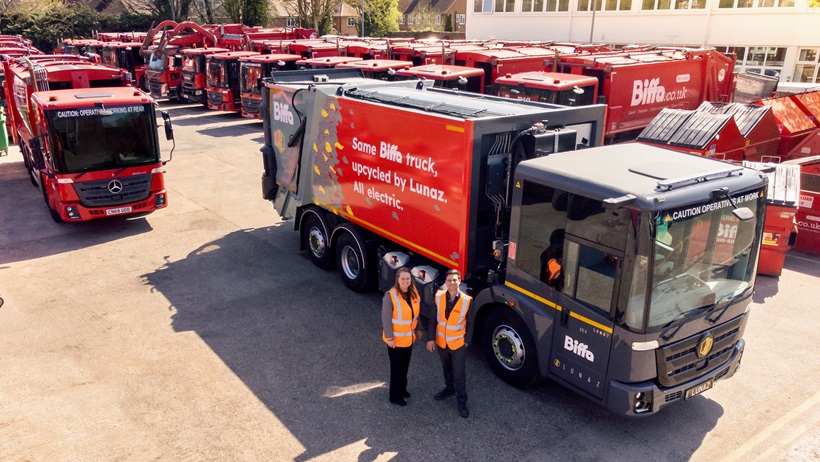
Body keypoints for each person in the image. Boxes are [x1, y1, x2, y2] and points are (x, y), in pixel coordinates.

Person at [426, 269, 472, 418]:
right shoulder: (438, 297)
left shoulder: (467, 300)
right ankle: (449, 388)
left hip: (458, 344)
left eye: (455, 280)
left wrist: (467, 342)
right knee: (446, 367)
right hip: (441, 342)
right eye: (449, 280)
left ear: (459, 282)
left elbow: (471, 323)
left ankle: (462, 401)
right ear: (445, 282)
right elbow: (433, 319)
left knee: (459, 373)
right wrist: (430, 339)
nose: (452, 283)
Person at [382, 267, 422, 406]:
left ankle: (403, 389)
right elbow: (386, 318)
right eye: (403, 278)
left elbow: (415, 313)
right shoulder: (390, 296)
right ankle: (395, 395)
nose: (406, 281)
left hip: (409, 339)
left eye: (408, 278)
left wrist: (418, 328)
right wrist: (390, 338)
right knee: (396, 369)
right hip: (396, 341)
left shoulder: (413, 293)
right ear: (397, 279)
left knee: (404, 367)